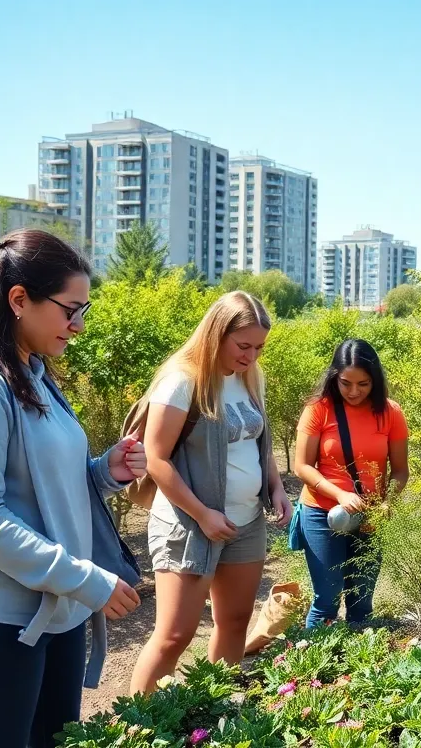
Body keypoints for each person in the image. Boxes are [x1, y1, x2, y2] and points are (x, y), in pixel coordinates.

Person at [0, 229, 146, 748]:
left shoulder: (31, 373)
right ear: (19, 299)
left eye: (84, 310)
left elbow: (39, 488)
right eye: (70, 309)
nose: (78, 326)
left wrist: (103, 472)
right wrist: (86, 580)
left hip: (54, 601)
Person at [130, 291, 292, 693]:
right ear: (216, 335)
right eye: (243, 346)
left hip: (245, 521)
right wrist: (203, 513)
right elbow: (156, 458)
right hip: (189, 526)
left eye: (259, 347)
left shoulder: (250, 378)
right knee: (174, 636)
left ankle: (213, 710)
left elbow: (257, 443)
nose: (251, 356)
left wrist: (276, 487)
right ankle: (135, 727)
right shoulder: (183, 381)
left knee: (235, 622)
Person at [293, 339, 409, 627]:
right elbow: (302, 466)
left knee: (361, 599)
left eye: (364, 384)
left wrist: (386, 504)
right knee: (326, 600)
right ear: (335, 377)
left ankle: (358, 667)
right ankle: (316, 667)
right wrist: (340, 494)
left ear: (375, 380)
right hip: (322, 512)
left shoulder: (390, 412)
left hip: (370, 517)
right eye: (346, 383)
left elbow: (400, 471)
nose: (354, 391)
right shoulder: (319, 409)